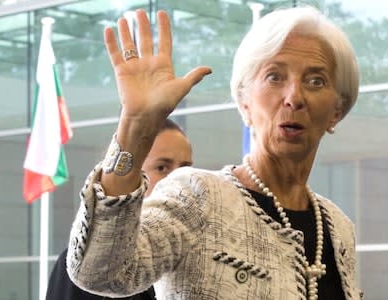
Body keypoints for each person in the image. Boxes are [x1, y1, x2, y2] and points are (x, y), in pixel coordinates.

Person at [67, 6, 363, 300]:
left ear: (337, 111)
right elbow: (101, 272)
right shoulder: (197, 197)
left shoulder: (338, 227)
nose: (294, 97)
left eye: (316, 81)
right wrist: (135, 126)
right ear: (245, 102)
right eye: (275, 77)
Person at [46, 118, 192, 300]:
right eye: (162, 167)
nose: (177, 179)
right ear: (131, 176)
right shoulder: (86, 264)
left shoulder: (199, 256)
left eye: (185, 169)